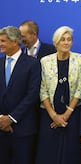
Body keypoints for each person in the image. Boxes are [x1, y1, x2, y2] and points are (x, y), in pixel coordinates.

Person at [36, 26, 81, 164]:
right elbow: (43, 89)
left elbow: (80, 87)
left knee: (71, 152)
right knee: (49, 152)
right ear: (56, 42)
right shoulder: (45, 61)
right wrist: (53, 115)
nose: (66, 43)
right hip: (49, 113)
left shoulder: (80, 59)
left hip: (72, 113)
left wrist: (67, 113)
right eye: (62, 40)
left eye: (69, 39)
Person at [0, 26, 41, 164]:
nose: (0, 44)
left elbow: (33, 94)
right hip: (0, 127)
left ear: (15, 41)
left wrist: (11, 118)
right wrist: (1, 118)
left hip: (23, 128)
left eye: (3, 41)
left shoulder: (32, 63)